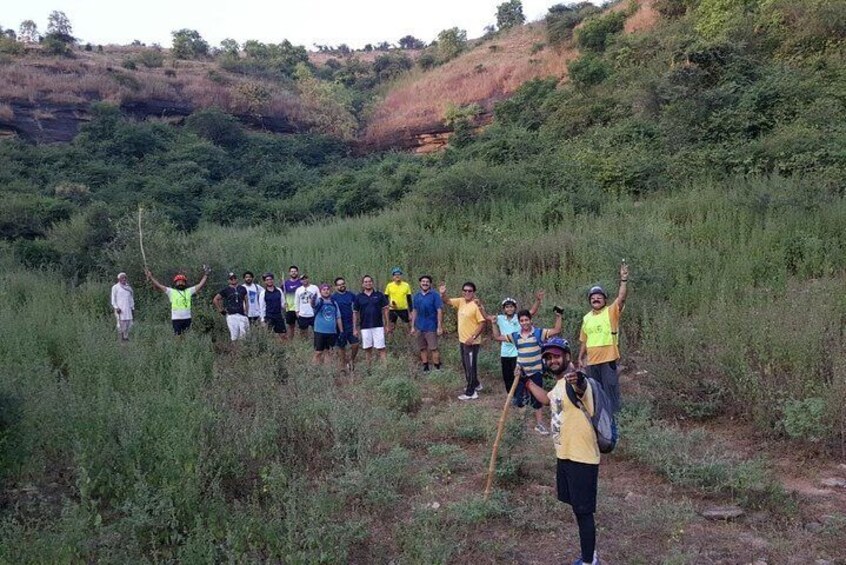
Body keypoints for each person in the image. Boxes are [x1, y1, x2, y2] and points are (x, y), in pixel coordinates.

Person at [522, 337, 603, 565]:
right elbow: (546, 400)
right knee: (577, 510)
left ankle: (589, 560)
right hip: (565, 456)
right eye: (547, 357)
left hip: (582, 458)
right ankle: (589, 555)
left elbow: (581, 385)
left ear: (567, 356)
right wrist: (527, 382)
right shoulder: (558, 386)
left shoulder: (575, 380)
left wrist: (578, 379)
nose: (552, 360)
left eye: (556, 355)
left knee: (583, 512)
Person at [490, 307, 562, 435]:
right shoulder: (515, 336)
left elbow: (556, 330)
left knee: (537, 399)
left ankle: (539, 424)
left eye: (526, 320)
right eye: (522, 320)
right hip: (520, 372)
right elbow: (497, 337)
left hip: (535, 372)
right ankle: (520, 425)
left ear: (530, 320)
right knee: (519, 398)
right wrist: (494, 323)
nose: (524, 322)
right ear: (519, 322)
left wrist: (558, 316)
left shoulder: (539, 333)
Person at [578, 261, 629, 413]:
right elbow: (584, 339)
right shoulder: (586, 318)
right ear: (590, 301)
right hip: (591, 361)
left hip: (608, 359)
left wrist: (624, 280)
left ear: (605, 299)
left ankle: (614, 420)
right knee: (595, 391)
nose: (596, 299)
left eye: (599, 297)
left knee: (610, 390)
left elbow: (621, 297)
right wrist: (580, 357)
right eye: (593, 297)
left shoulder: (611, 311)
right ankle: (599, 418)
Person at [440, 281, 487, 400]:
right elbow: (447, 301)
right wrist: (443, 293)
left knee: (470, 367)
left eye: (469, 291)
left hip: (472, 342)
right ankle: (476, 385)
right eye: (465, 291)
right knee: (467, 365)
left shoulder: (476, 305)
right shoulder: (461, 301)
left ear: (474, 292)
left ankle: (471, 392)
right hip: (462, 341)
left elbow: (482, 323)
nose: (467, 293)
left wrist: (473, 337)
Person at [492, 292, 544, 394]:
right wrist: (480, 307)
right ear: (504, 309)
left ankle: (522, 395)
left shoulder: (519, 318)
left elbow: (532, 311)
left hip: (517, 352)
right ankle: (511, 396)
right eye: (507, 307)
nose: (509, 309)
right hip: (505, 352)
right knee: (507, 376)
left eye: (511, 307)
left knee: (519, 376)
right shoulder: (500, 318)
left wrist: (538, 300)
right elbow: (488, 318)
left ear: (515, 308)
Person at [145, 266, 210, 336]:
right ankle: (178, 347)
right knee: (177, 337)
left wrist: (206, 274)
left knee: (187, 336)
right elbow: (159, 285)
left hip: (187, 318)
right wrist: (151, 277)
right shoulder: (171, 292)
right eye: (178, 282)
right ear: (175, 283)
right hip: (176, 319)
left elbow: (200, 285)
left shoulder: (189, 291)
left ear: (185, 283)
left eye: (182, 282)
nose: (180, 283)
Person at [353, 275, 389, 364]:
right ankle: (369, 369)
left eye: (369, 281)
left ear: (372, 283)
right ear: (362, 284)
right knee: (367, 349)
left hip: (378, 326)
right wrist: (354, 328)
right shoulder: (359, 297)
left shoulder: (379, 295)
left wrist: (387, 325)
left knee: (381, 348)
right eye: (365, 282)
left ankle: (385, 369)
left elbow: (385, 310)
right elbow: (355, 313)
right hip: (365, 326)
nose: (368, 283)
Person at [409, 275, 443, 372]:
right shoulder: (416, 296)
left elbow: (439, 311)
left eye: (427, 282)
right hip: (420, 327)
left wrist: (439, 326)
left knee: (433, 348)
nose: (425, 283)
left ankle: (437, 368)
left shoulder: (435, 295)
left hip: (431, 327)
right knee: (422, 348)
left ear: (430, 284)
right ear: (420, 283)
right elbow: (414, 310)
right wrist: (412, 326)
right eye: (423, 281)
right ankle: (426, 366)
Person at [332, 277, 359, 372]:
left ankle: (351, 360)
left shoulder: (351, 295)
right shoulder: (333, 297)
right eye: (339, 284)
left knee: (355, 344)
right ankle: (343, 365)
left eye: (343, 283)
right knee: (341, 346)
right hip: (339, 326)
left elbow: (357, 307)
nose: (341, 285)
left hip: (351, 325)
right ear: (335, 286)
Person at [312, 284, 343, 366]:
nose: (326, 291)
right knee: (318, 352)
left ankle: (327, 372)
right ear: (320, 291)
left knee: (329, 352)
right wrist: (313, 298)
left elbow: (338, 317)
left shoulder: (334, 302)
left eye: (328, 289)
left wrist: (341, 331)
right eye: (324, 289)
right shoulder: (319, 301)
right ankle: (314, 370)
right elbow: (313, 304)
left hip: (331, 332)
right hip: (319, 331)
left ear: (330, 291)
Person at [213, 272, 249, 342]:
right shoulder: (226, 290)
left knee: (244, 336)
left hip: (242, 314)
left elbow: (246, 301)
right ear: (228, 280)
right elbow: (215, 299)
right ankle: (235, 351)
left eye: (234, 278)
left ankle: (244, 351)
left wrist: (246, 312)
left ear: (237, 279)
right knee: (234, 337)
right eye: (231, 279)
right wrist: (221, 310)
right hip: (231, 315)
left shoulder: (242, 288)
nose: (233, 280)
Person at [258, 272, 287, 344]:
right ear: (265, 281)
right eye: (267, 280)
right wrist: (262, 320)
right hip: (269, 316)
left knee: (283, 335)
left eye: (270, 279)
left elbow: (282, 303)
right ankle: (273, 351)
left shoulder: (279, 290)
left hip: (278, 315)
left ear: (273, 280)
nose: (269, 281)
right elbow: (262, 307)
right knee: (270, 335)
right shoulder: (263, 293)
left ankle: (284, 349)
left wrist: (285, 305)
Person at [384, 267, 412, 333]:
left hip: (403, 309)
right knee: (391, 328)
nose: (397, 276)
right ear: (393, 276)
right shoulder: (389, 285)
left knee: (407, 327)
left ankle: (408, 342)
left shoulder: (406, 285)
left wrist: (410, 312)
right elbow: (385, 298)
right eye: (395, 274)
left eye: (399, 274)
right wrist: (389, 305)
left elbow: (409, 299)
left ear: (401, 276)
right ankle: (390, 342)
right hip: (393, 310)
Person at [110, 272, 135, 341]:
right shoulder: (115, 287)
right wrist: (116, 307)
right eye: (122, 278)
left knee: (129, 324)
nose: (124, 279)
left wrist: (132, 308)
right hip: (120, 309)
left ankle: (126, 337)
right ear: (119, 279)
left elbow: (131, 299)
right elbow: (113, 299)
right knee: (120, 324)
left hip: (128, 309)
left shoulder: (128, 287)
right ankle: (120, 339)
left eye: (125, 278)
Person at [283, 266, 303, 339]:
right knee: (291, 327)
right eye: (292, 271)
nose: (293, 272)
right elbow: (282, 294)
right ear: (289, 273)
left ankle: (302, 342)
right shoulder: (285, 283)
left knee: (302, 327)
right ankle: (291, 342)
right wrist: (284, 303)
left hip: (300, 308)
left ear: (297, 272)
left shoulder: (301, 282)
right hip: (289, 308)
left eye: (295, 271)